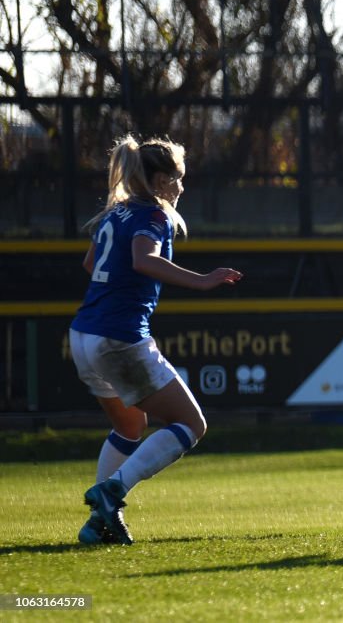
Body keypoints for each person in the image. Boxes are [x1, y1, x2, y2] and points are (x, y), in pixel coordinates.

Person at [70, 134, 243, 545]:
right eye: (178, 179)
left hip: (83, 335)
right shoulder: (154, 214)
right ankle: (112, 492)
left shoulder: (116, 214)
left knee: (130, 425)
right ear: (162, 179)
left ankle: (99, 523)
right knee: (191, 424)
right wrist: (202, 280)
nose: (182, 188)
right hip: (119, 338)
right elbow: (142, 259)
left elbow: (90, 262)